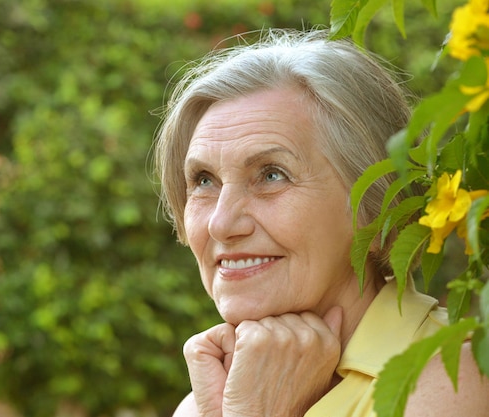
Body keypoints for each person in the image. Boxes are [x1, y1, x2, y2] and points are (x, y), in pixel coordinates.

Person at [153, 29, 489, 417]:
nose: (220, 223)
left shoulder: (455, 377)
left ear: (374, 206)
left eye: (271, 175)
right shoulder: (205, 401)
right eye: (203, 181)